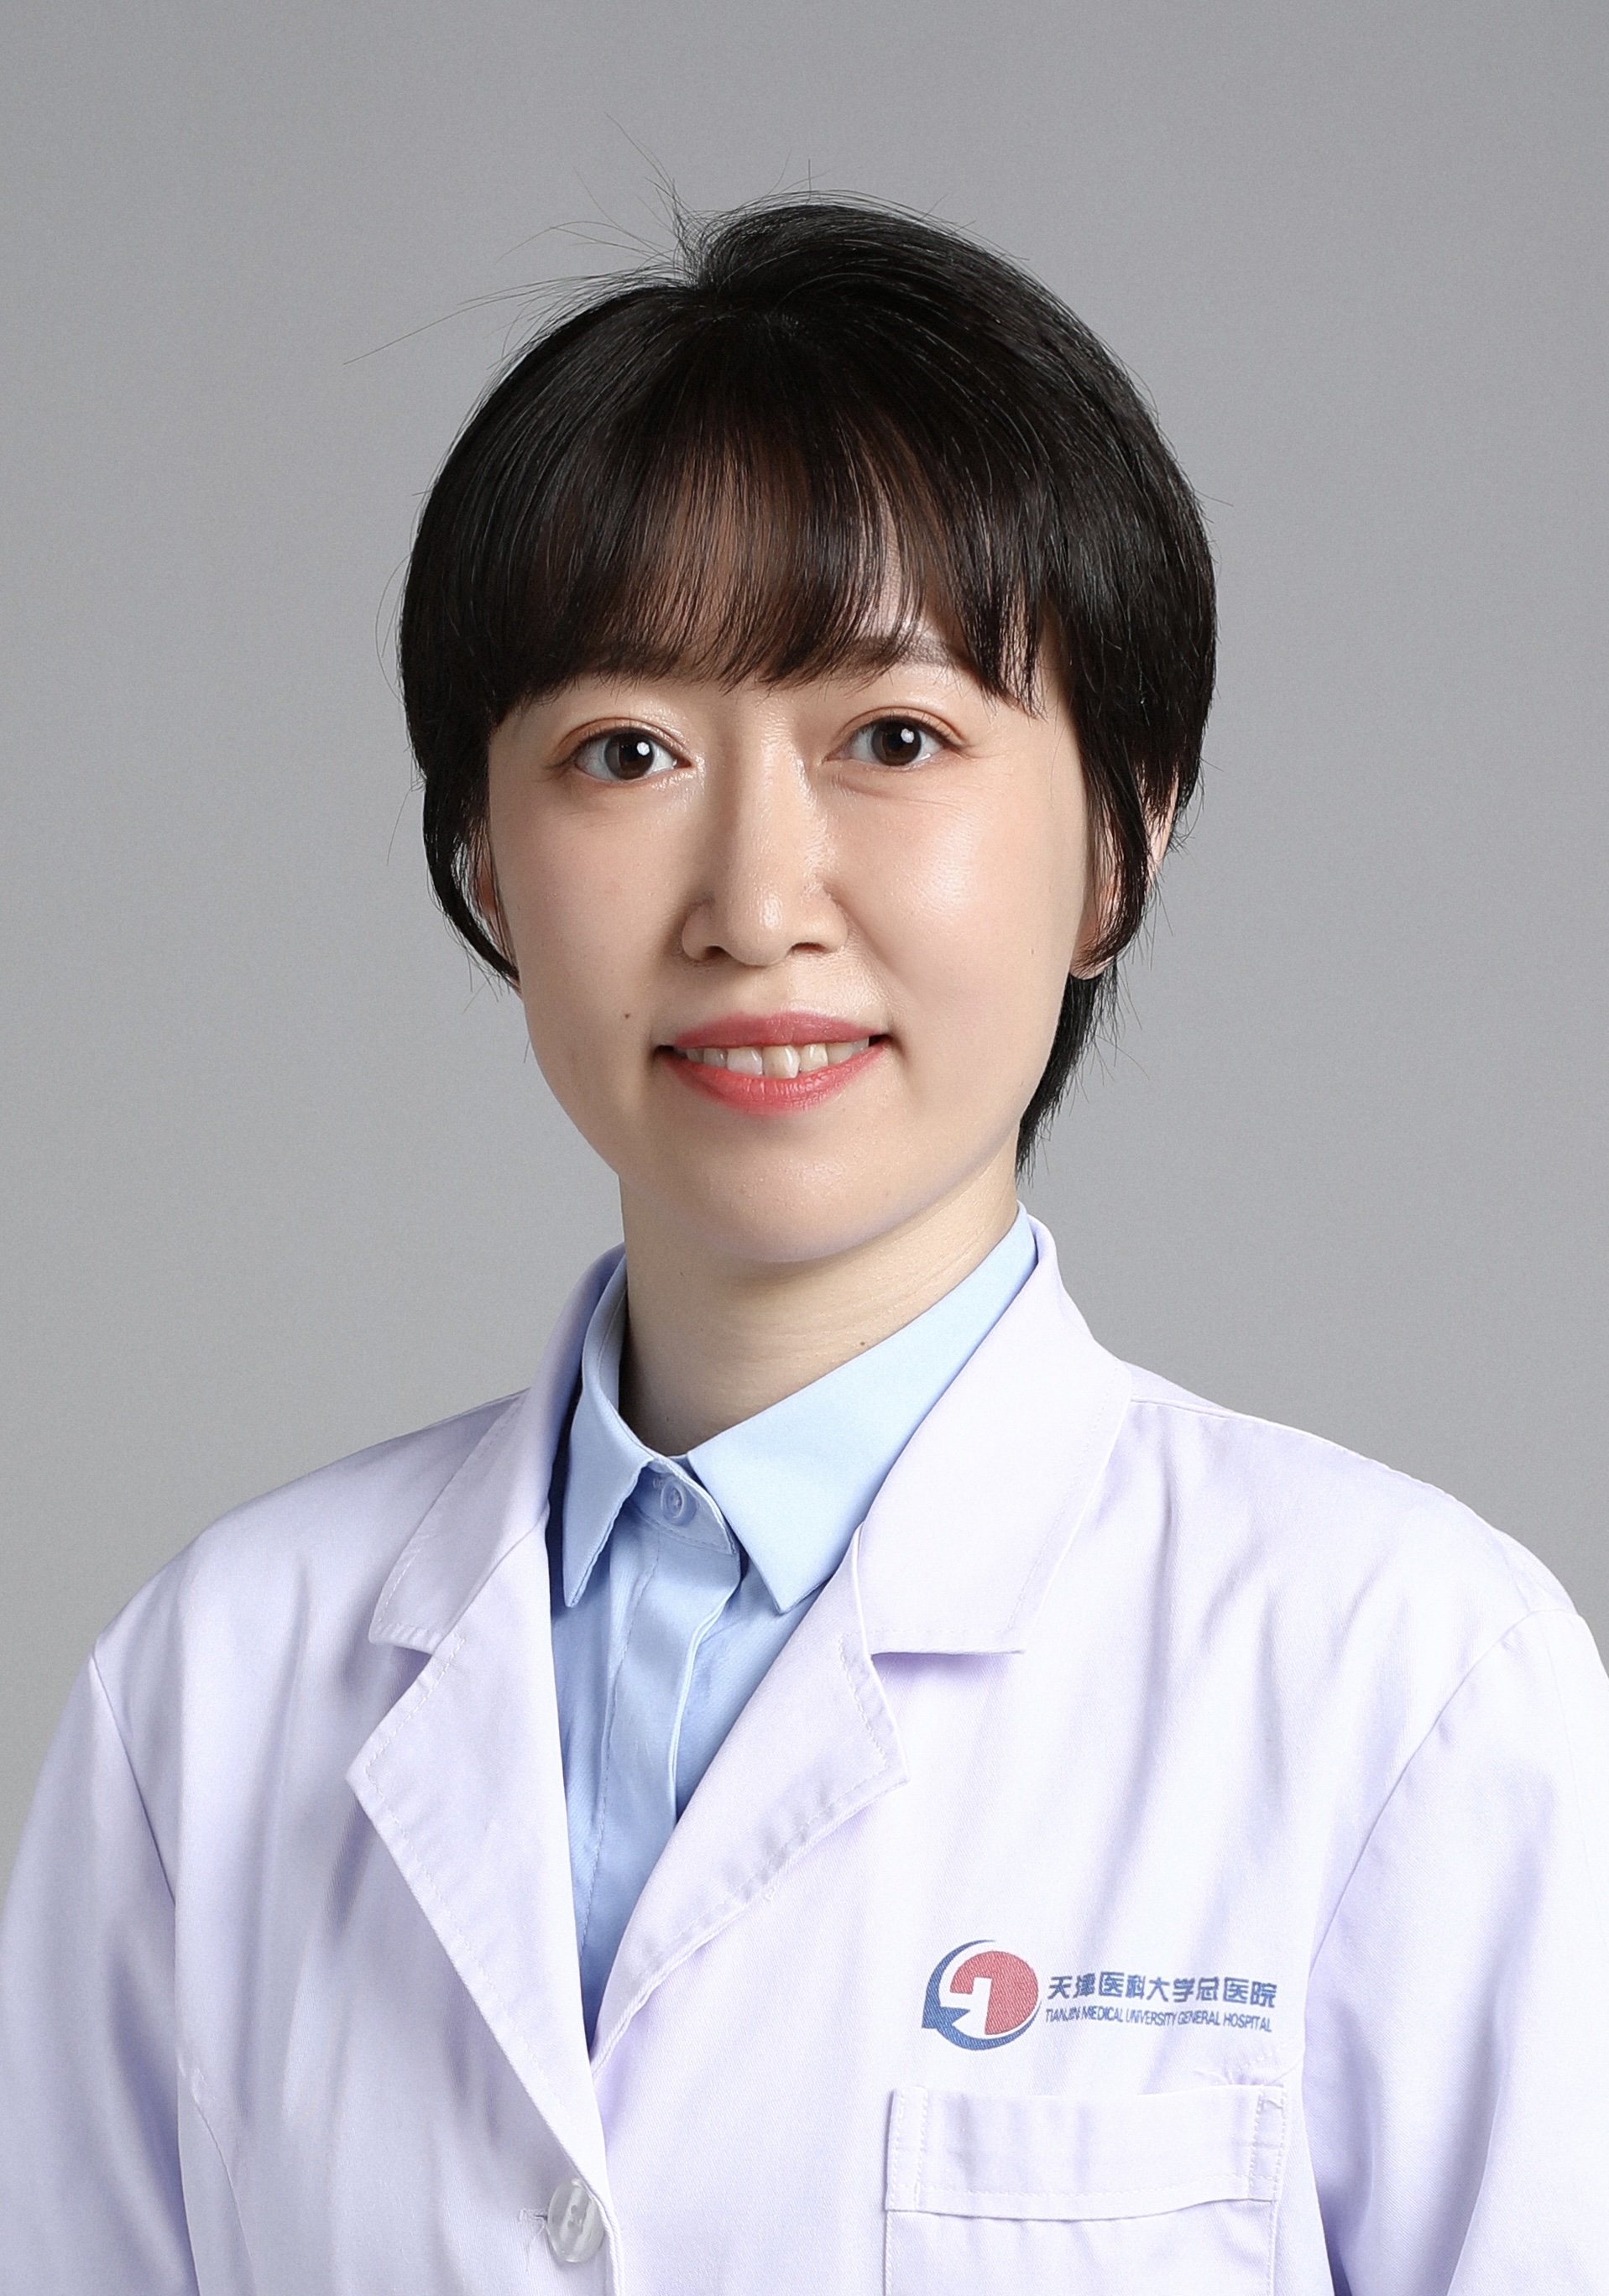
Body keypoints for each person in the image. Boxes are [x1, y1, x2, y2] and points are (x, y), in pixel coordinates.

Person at [1, 196, 1605, 2296]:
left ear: (1118, 838)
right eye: (625, 753)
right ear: (482, 859)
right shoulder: (210, 1691)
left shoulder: (1403, 1684)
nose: (754, 901)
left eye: (892, 738)